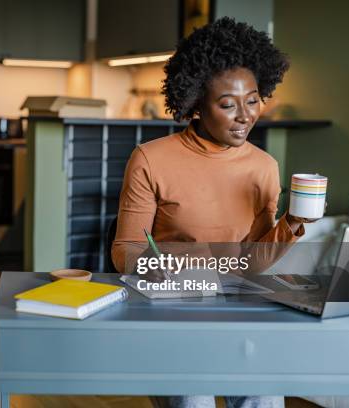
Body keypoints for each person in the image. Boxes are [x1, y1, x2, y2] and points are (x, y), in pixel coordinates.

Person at [112, 17, 307, 408]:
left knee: (264, 397)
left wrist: (292, 223)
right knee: (193, 398)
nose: (245, 115)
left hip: (241, 304)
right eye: (227, 104)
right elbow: (125, 252)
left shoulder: (264, 166)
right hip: (175, 307)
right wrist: (182, 264)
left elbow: (256, 261)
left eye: (253, 100)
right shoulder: (150, 159)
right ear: (196, 106)